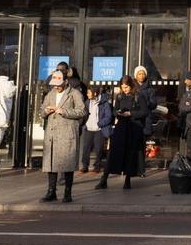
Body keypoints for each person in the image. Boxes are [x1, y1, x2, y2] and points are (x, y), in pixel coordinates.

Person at [40, 69, 86, 203]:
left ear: (65, 82)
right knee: (51, 163)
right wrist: (46, 111)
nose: (56, 87)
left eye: (58, 85)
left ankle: (67, 192)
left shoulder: (75, 93)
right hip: (52, 133)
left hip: (67, 132)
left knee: (68, 163)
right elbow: (42, 110)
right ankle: (51, 191)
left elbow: (82, 110)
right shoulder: (50, 94)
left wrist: (63, 111)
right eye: (54, 84)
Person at [96, 75, 148, 190]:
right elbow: (114, 110)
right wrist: (118, 113)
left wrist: (131, 114)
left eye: (126, 87)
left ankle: (127, 179)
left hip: (133, 128)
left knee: (130, 154)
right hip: (121, 126)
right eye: (123, 87)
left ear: (131, 85)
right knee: (113, 152)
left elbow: (144, 111)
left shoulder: (139, 96)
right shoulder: (119, 96)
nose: (125, 90)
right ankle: (104, 178)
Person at [79, 85, 113, 174]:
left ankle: (97, 166)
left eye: (89, 92)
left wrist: (99, 123)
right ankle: (85, 166)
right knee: (86, 148)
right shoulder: (87, 102)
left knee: (99, 149)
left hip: (99, 130)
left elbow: (108, 117)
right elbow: (84, 114)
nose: (87, 94)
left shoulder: (104, 103)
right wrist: (84, 124)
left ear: (95, 93)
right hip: (88, 129)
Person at [132, 66, 157, 176]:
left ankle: (141, 170)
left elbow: (154, 103)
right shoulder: (132, 87)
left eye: (143, 74)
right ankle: (131, 169)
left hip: (145, 120)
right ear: (135, 75)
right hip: (134, 119)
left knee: (141, 146)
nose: (141, 76)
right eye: (139, 74)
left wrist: (144, 104)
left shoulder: (150, 89)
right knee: (132, 145)